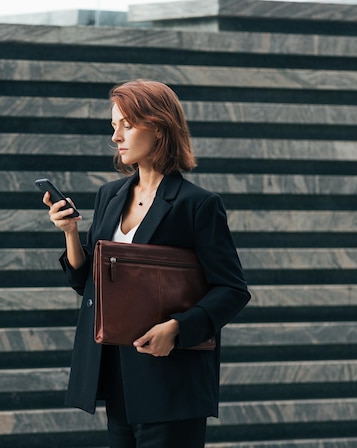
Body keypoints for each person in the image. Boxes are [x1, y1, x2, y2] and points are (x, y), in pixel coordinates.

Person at [42, 79, 250, 448]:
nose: (116, 136)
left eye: (127, 124)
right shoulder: (109, 196)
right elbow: (89, 284)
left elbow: (232, 290)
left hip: (172, 382)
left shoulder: (197, 204)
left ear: (157, 127)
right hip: (117, 372)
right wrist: (71, 232)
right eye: (113, 126)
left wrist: (176, 329)